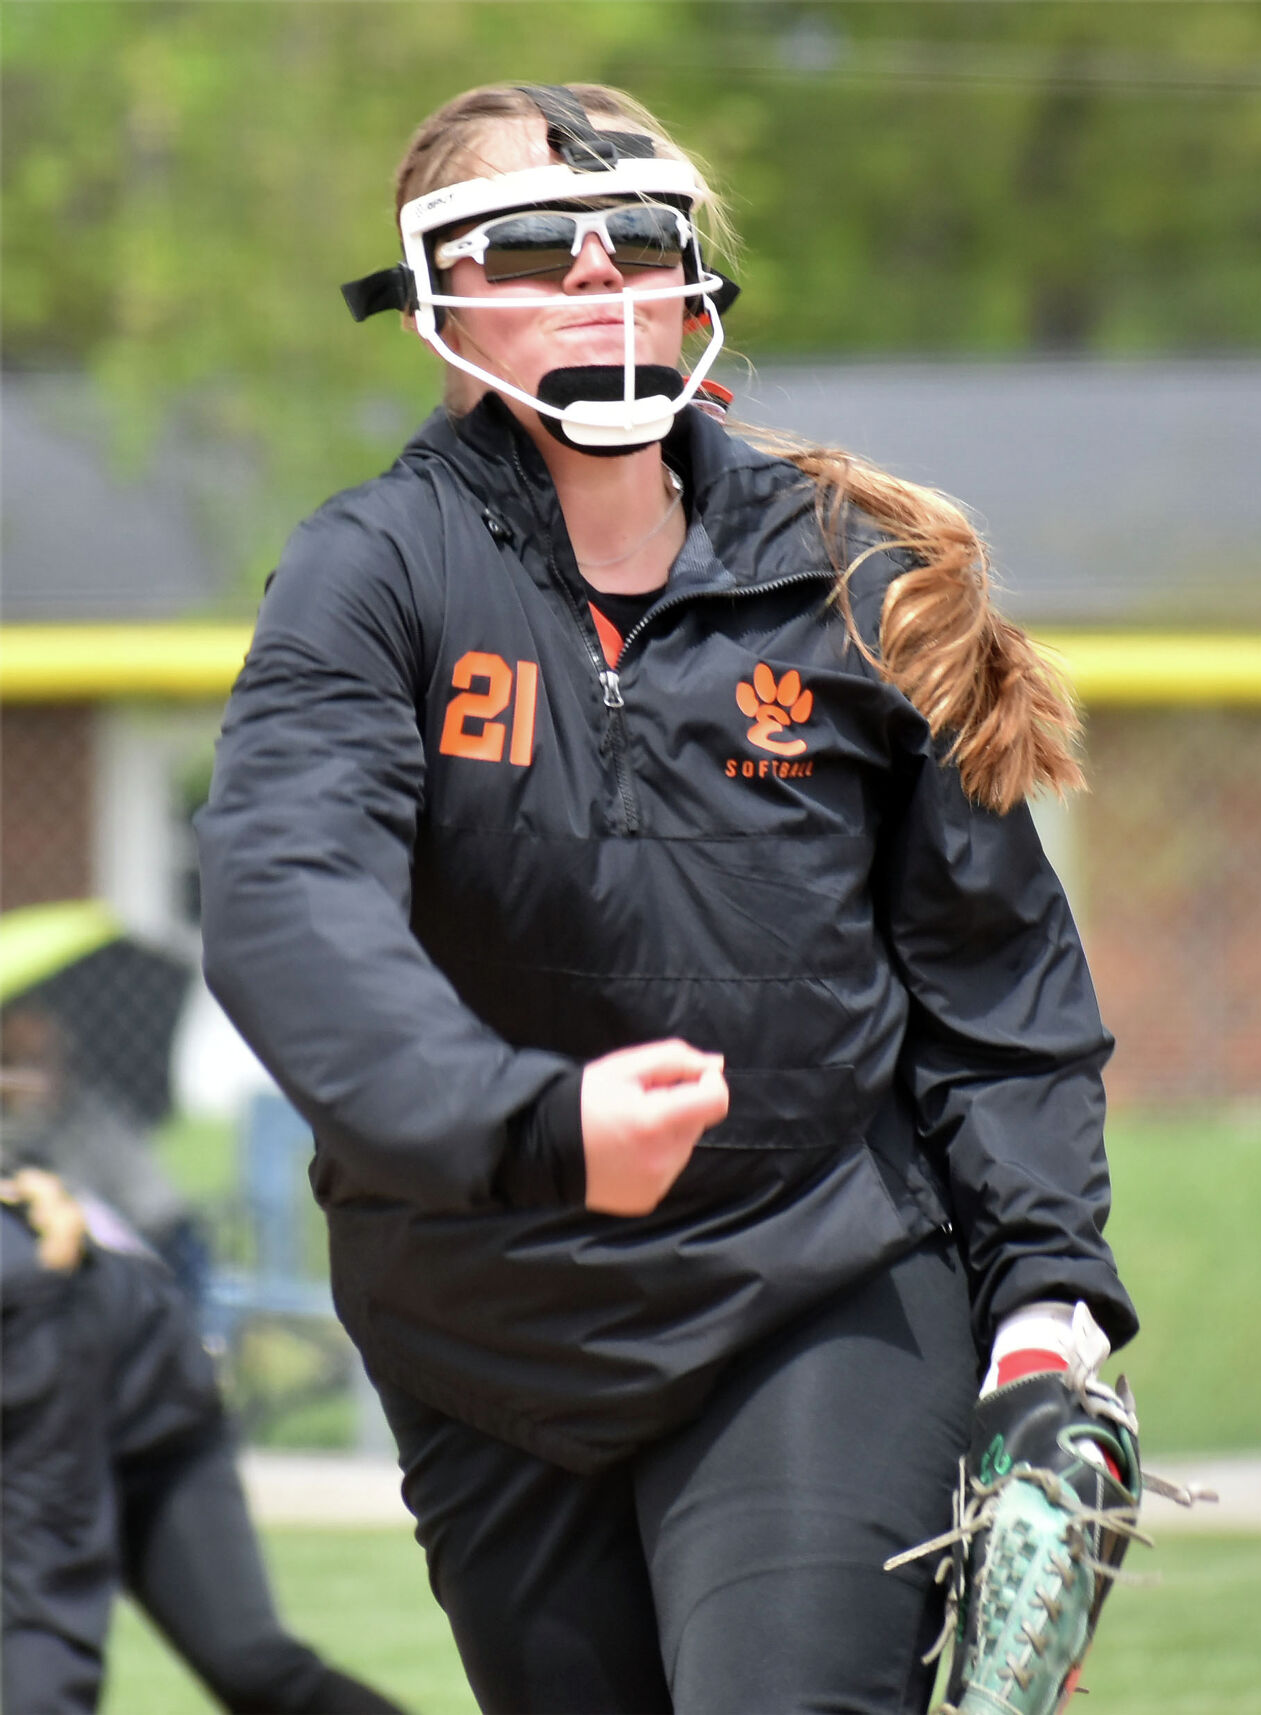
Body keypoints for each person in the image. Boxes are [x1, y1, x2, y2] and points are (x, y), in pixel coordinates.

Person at [197, 82, 1141, 1713]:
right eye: (530, 249)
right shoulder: (373, 573)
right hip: (486, 1319)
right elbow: (287, 896)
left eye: (633, 242)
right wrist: (531, 1122)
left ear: (693, 278)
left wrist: (1048, 1305)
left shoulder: (854, 581)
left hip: (811, 1278)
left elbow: (996, 1000)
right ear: (436, 299)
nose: (593, 280)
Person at [0, 1167, 405, 1715]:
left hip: (141, 1420)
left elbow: (45, 1602)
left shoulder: (23, 1291)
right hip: (51, 1413)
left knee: (250, 1665)